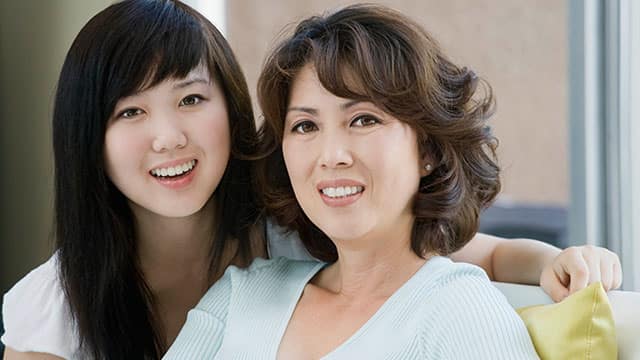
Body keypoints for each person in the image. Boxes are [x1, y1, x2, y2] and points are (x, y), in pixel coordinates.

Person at [1, 1, 622, 359]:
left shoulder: (291, 236)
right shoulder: (240, 294)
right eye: (129, 111)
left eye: (190, 100)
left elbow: (471, 255)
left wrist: (556, 261)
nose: (168, 137)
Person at [162, 4, 589, 359]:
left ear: (428, 151)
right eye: (306, 126)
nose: (331, 156)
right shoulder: (244, 294)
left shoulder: (457, 313)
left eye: (363, 120)